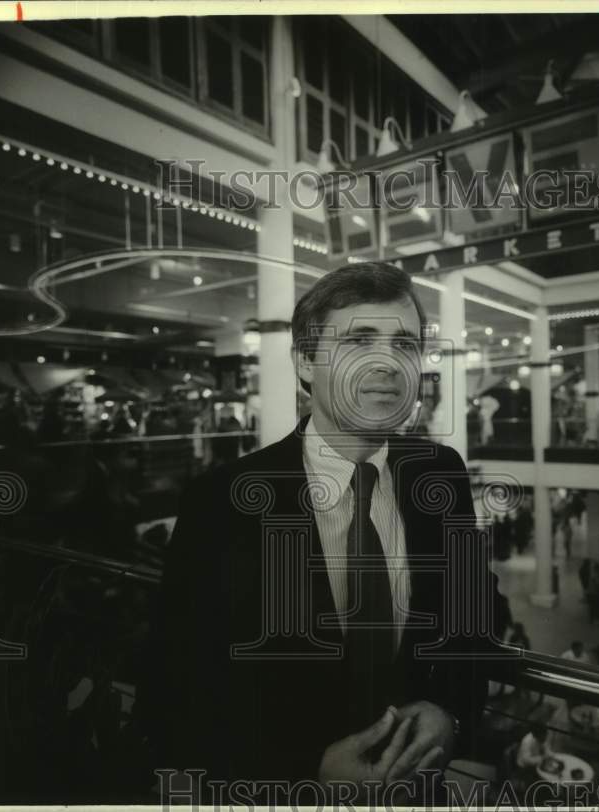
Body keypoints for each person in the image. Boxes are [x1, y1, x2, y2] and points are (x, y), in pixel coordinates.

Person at [143, 262, 501, 802]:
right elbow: (177, 688)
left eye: (404, 344)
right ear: (306, 362)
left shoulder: (440, 473)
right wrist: (302, 774)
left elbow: (476, 613)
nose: (387, 364)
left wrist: (447, 712)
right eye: (359, 341)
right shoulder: (224, 500)